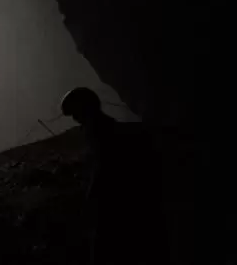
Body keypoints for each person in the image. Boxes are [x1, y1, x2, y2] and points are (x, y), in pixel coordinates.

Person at [61, 87, 166, 265]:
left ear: (85, 110)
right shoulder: (110, 133)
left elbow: (104, 172)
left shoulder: (104, 136)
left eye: (76, 114)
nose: (76, 120)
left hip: (118, 213)